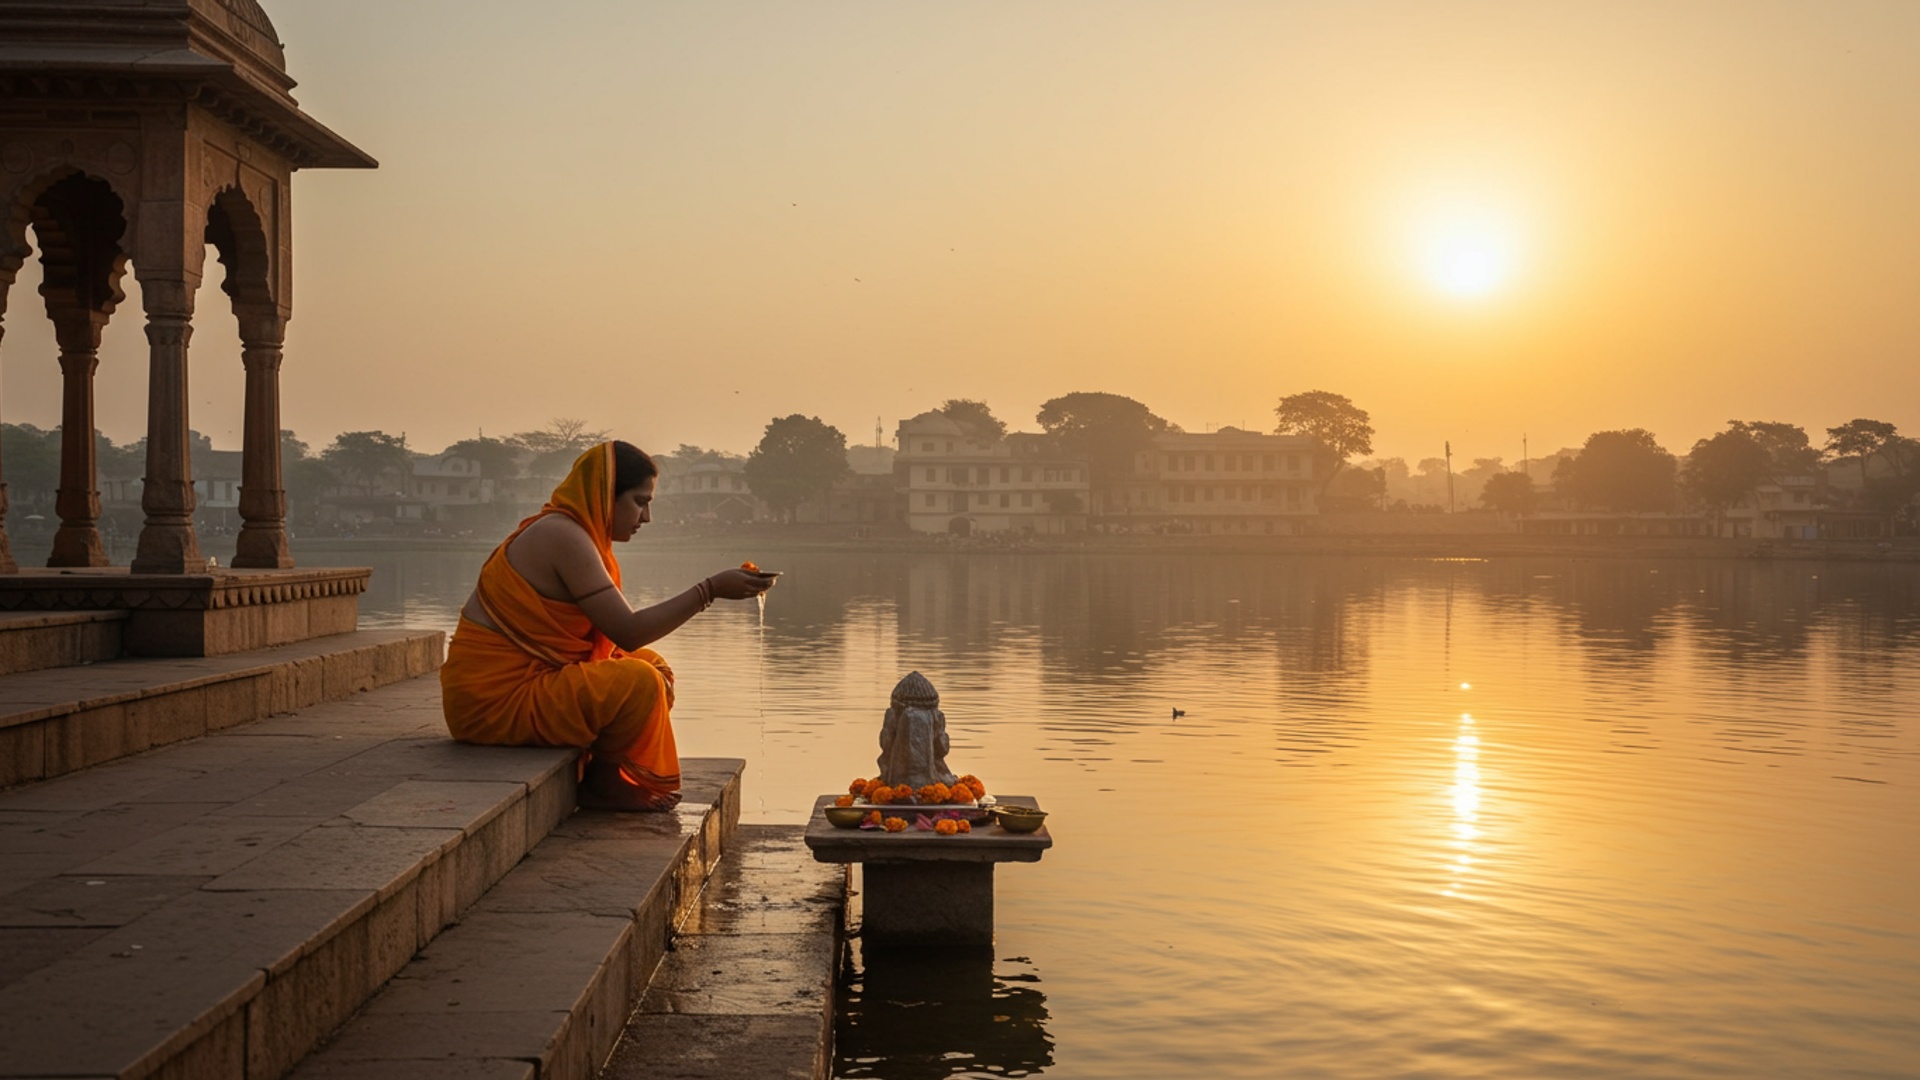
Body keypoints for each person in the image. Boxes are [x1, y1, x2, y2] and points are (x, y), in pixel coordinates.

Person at [439, 441, 774, 810]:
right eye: (640, 501)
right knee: (640, 682)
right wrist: (708, 590)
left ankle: (606, 768)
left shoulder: (577, 534)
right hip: (492, 704)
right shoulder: (561, 534)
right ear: (603, 495)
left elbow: (623, 639)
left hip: (529, 681)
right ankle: (605, 786)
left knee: (652, 667)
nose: (646, 518)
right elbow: (627, 631)